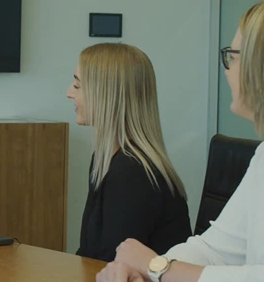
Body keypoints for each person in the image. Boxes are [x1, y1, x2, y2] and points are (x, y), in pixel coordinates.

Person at [95, 0, 264, 282]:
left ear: (263, 67)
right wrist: (146, 273)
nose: (227, 68)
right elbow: (215, 250)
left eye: (232, 56)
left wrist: (160, 268)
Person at [66, 43, 191, 262]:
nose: (69, 93)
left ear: (106, 94)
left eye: (77, 86)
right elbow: (89, 253)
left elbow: (112, 263)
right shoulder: (105, 159)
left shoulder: (132, 172)